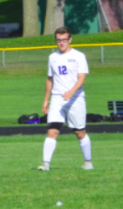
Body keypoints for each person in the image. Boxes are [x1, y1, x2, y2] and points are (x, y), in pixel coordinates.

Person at [39, 27, 92, 171]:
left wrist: (71, 92)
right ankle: (46, 164)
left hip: (75, 98)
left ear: (70, 40)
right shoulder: (52, 57)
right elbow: (50, 79)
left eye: (64, 40)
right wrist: (46, 100)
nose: (61, 43)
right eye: (58, 40)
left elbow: (82, 78)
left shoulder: (79, 56)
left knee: (80, 132)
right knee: (52, 131)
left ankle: (88, 162)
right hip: (57, 98)